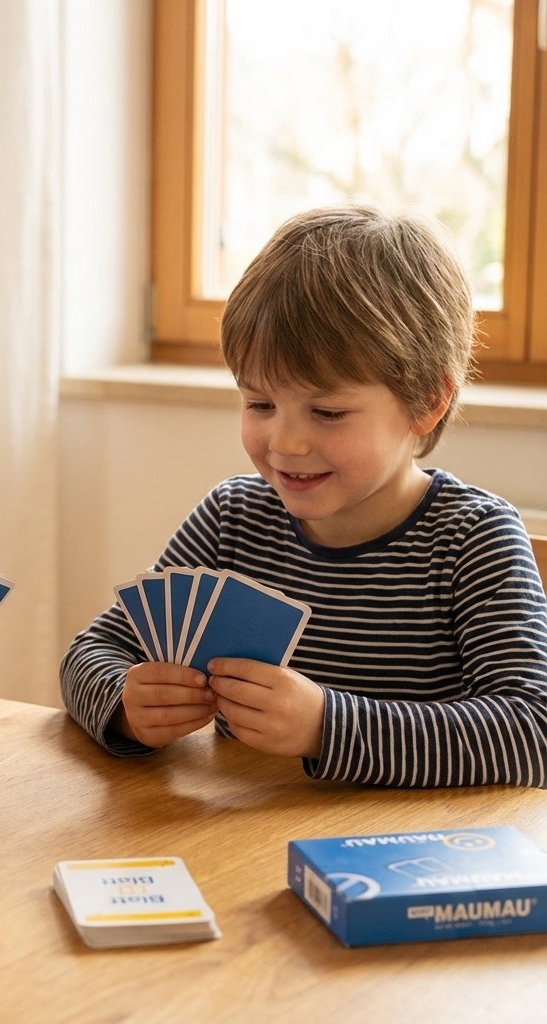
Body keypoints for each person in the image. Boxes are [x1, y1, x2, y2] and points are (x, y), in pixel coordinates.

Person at [61, 205, 547, 788]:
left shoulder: (473, 539)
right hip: (242, 830)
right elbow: (90, 652)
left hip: (411, 840)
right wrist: (126, 705)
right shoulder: (231, 519)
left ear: (427, 402)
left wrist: (326, 726)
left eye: (328, 412)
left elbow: (532, 731)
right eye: (259, 404)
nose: (285, 443)